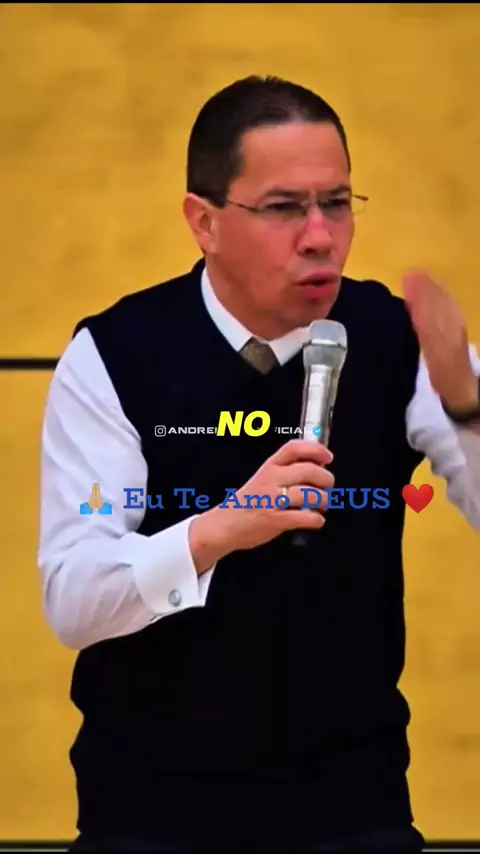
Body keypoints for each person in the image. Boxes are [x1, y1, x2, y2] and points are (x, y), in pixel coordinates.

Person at [38, 76, 480, 852]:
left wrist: (467, 406)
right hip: (150, 807)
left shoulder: (395, 338)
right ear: (203, 221)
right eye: (284, 208)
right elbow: (74, 596)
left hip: (353, 802)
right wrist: (220, 530)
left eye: (337, 203)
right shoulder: (116, 355)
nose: (320, 236)